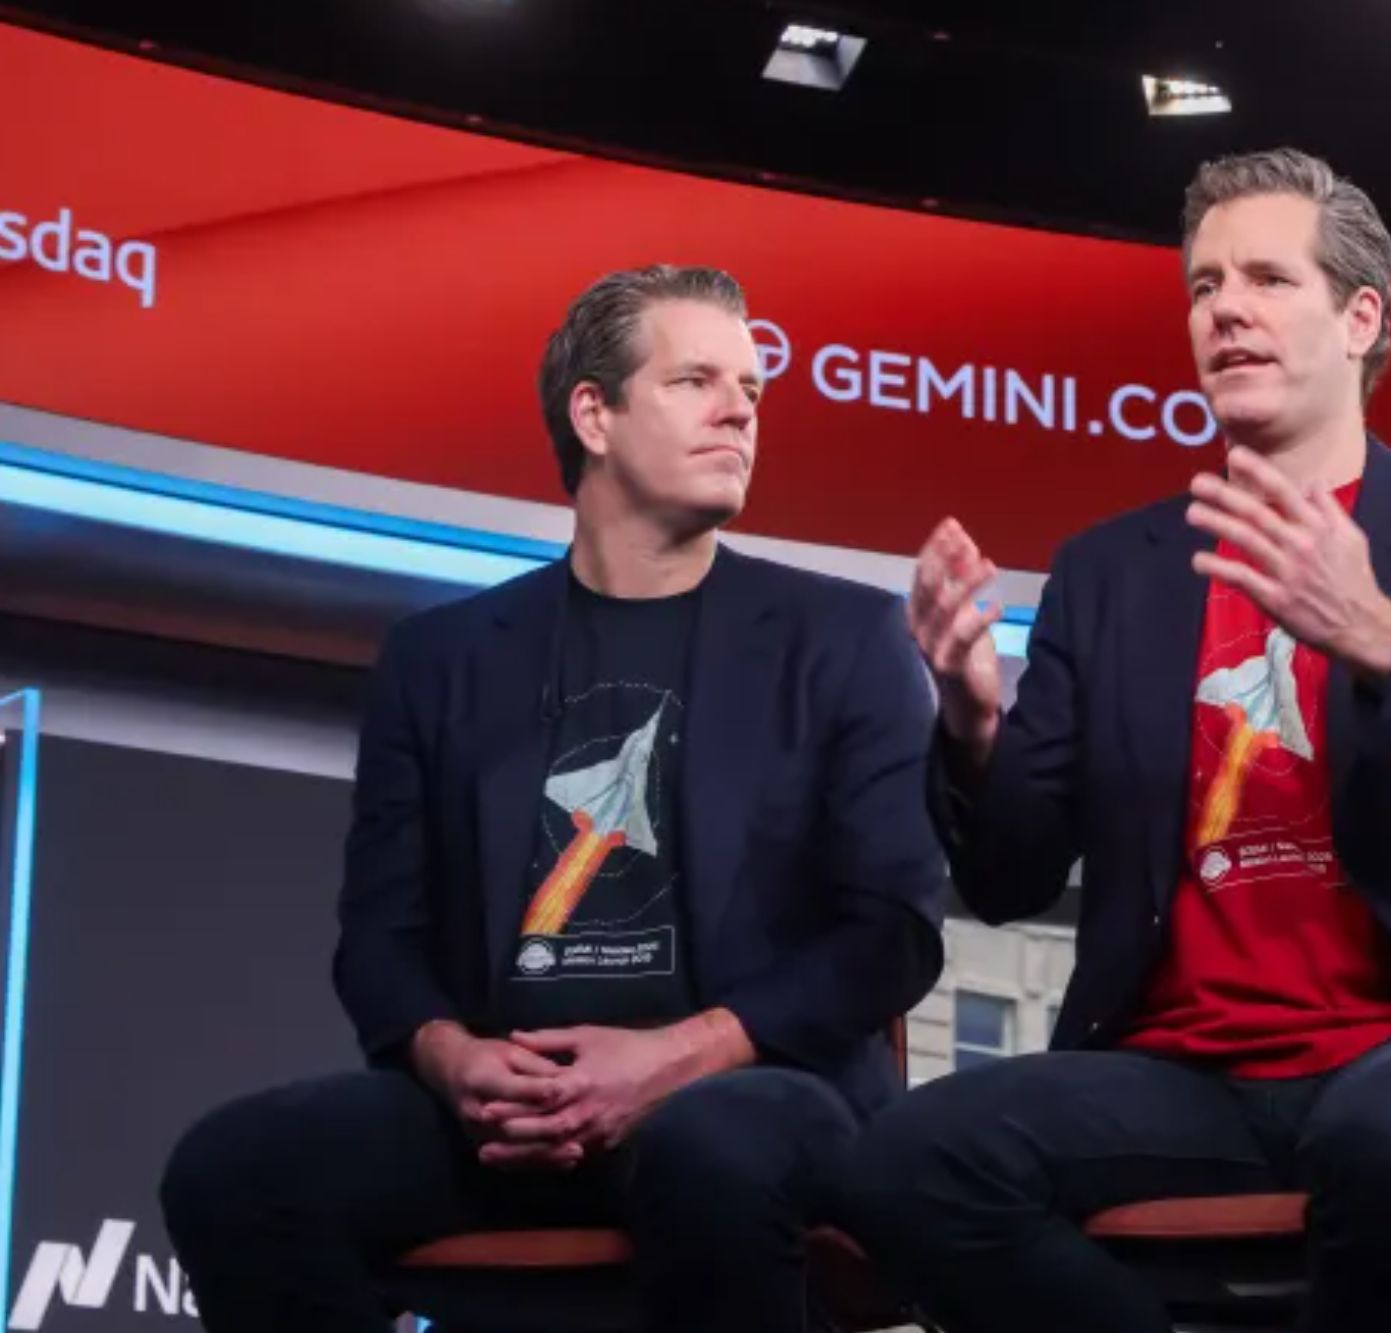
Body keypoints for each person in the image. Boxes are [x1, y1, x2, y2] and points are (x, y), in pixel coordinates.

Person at [836, 148, 1391, 1333]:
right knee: (903, 1163)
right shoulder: (1111, 570)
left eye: (1267, 278)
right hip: (1179, 1073)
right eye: (1203, 285)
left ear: (1359, 319)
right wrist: (968, 717)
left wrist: (1382, 640)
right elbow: (1008, 878)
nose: (1224, 309)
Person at [160, 264, 947, 1333]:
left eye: (752, 389)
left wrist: (674, 1057)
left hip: (748, 1094)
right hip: (504, 1111)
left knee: (709, 1149)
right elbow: (380, 936)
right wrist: (454, 1059)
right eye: (696, 381)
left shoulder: (846, 639)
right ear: (594, 415)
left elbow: (890, 934)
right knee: (234, 1171)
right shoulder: (437, 658)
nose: (739, 411)